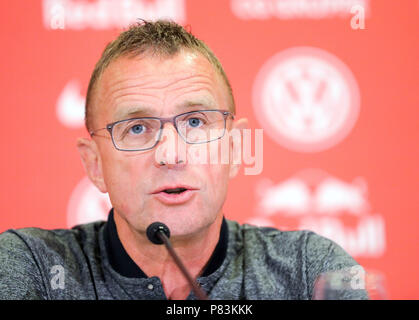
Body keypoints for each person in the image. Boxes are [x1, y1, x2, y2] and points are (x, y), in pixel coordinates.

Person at [0, 20, 366, 300]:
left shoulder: (308, 271)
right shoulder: (33, 266)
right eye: (138, 128)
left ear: (236, 148)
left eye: (195, 122)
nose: (170, 155)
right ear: (95, 165)